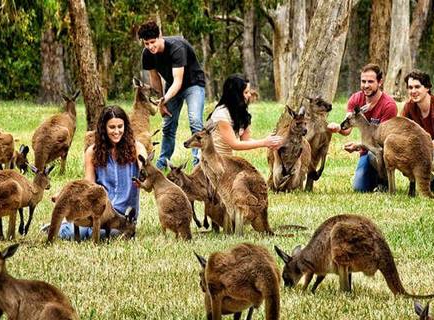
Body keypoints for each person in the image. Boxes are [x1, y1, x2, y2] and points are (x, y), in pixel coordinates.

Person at [53, 106, 147, 240]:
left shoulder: (137, 148)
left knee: (99, 235)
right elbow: (88, 184)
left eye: (120, 126)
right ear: (104, 129)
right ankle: (62, 226)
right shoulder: (92, 152)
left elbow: (145, 169)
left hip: (121, 216)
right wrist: (65, 195)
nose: (117, 131)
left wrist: (143, 176)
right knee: (70, 234)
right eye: (112, 127)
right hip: (98, 210)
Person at [138, 20, 205, 169]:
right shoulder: (147, 54)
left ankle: (199, 165)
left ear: (160, 36)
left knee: (195, 121)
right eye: (146, 44)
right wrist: (159, 101)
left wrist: (164, 99)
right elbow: (154, 78)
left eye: (152, 42)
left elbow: (178, 81)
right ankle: (162, 164)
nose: (150, 46)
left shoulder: (176, 47)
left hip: (193, 84)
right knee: (168, 125)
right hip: (172, 87)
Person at [326, 63, 398, 192]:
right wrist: (338, 128)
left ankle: (385, 184)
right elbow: (347, 129)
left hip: (384, 149)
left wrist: (358, 145)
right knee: (360, 188)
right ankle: (375, 178)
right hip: (367, 150)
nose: (365, 85)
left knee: (374, 154)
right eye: (363, 81)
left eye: (370, 81)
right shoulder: (356, 99)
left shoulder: (388, 105)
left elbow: (383, 142)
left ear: (380, 82)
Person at [207, 74, 283, 156]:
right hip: (212, 160)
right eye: (246, 92)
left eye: (249, 92)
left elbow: (246, 140)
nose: (249, 95)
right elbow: (234, 144)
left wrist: (270, 141)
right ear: (235, 95)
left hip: (226, 159)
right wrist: (264, 142)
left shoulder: (240, 111)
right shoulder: (221, 115)